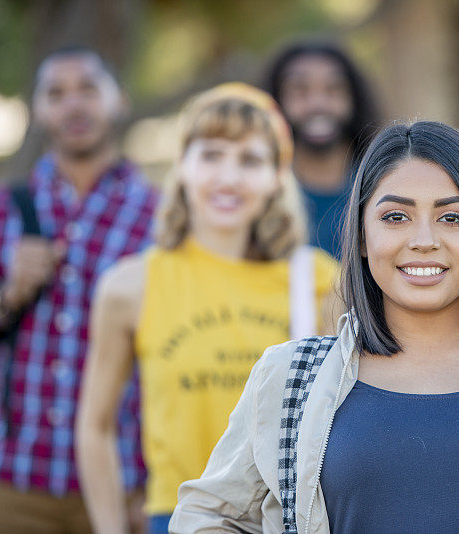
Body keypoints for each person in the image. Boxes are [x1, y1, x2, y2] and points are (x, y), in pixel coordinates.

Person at [169, 121, 459, 533]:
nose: (424, 240)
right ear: (363, 236)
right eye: (395, 217)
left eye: (452, 217)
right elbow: (207, 515)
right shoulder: (290, 375)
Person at [76, 83, 341, 534]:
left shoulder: (320, 282)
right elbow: (95, 426)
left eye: (251, 160)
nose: (229, 178)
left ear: (278, 175)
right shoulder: (132, 286)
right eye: (211, 155)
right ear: (183, 166)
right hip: (176, 517)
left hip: (284, 519)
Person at [0, 46, 156, 533]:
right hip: (7, 481)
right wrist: (4, 294)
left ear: (117, 100)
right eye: (57, 93)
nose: (74, 105)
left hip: (123, 487)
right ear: (38, 110)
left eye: (89, 89)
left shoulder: (162, 218)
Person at [264, 42, 379, 258]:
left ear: (354, 97)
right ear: (277, 101)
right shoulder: (261, 194)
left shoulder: (383, 183)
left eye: (333, 89)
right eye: (300, 90)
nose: (317, 103)